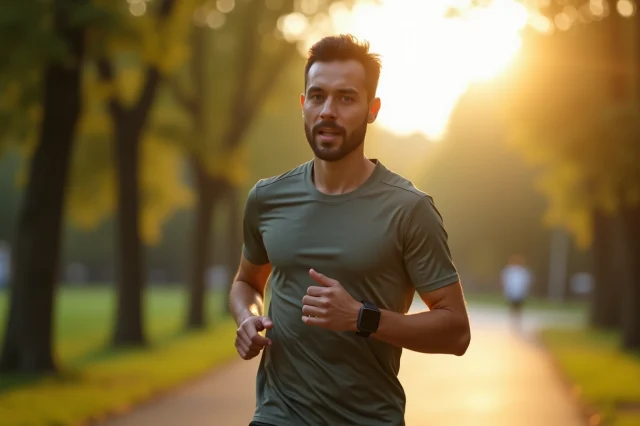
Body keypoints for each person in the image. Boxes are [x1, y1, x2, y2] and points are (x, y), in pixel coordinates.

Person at [229, 34, 471, 426]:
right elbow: (247, 283)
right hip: (278, 415)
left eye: (346, 98)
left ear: (372, 110)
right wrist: (246, 317)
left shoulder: (409, 209)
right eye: (318, 95)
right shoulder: (267, 198)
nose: (328, 111)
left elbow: (456, 331)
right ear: (303, 104)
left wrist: (362, 317)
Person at [500, 254, 532, 332]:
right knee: (512, 308)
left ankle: (517, 322)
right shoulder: (508, 271)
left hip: (520, 293)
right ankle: (513, 322)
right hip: (511, 292)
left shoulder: (523, 271)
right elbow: (505, 282)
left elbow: (527, 282)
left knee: (519, 308)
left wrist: (524, 291)